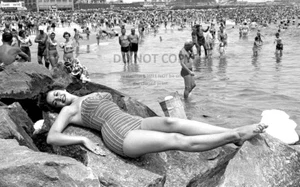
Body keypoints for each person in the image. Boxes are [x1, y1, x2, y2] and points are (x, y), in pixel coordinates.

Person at [45, 90, 268, 158]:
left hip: (133, 120)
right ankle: (235, 136)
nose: (58, 99)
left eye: (56, 94)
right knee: (176, 140)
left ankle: (232, 133)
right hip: (116, 134)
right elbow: (52, 137)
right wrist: (83, 139)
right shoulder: (69, 110)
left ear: (62, 89)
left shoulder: (87, 91)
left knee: (173, 122)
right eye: (54, 102)